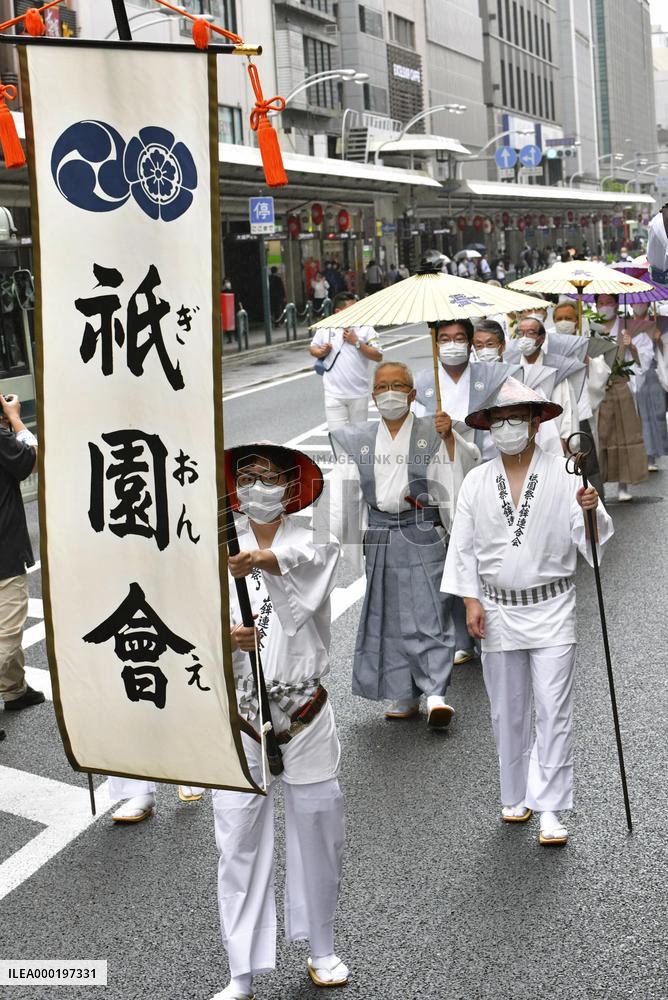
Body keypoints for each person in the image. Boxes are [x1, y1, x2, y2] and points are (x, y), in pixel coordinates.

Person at [441, 377, 613, 846]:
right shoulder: (478, 480)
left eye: (516, 418)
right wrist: (471, 601)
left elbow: (591, 540)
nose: (507, 427)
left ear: (537, 423)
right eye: (498, 420)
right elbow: (463, 547)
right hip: (497, 610)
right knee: (507, 710)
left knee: (554, 710)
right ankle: (515, 794)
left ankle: (553, 807)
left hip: (553, 605)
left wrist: (591, 507)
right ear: (488, 428)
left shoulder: (564, 472)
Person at [211, 443, 347, 1000]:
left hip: (304, 712)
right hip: (242, 717)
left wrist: (261, 563)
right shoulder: (216, 544)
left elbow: (312, 572)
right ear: (233, 488)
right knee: (238, 840)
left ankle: (322, 946)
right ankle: (240, 970)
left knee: (318, 830)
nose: (257, 485)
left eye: (269, 477)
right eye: (246, 476)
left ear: (291, 487)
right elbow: (190, 624)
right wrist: (226, 638)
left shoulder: (313, 536)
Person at [325, 361, 480, 726]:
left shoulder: (432, 431)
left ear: (412, 395)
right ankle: (403, 694)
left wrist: (450, 438)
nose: (390, 392)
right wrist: (347, 540)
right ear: (373, 396)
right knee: (388, 615)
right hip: (380, 534)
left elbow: (456, 477)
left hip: (422, 531)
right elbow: (346, 496)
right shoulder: (357, 439)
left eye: (398, 385)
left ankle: (436, 692)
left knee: (430, 611)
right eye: (382, 386)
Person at [0, 393, 43, 713]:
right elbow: (34, 459)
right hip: (3, 551)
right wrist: (15, 418)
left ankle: (14, 690)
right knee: (9, 631)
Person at [472, 320, 563, 460]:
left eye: (490, 344)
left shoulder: (521, 376)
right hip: (481, 458)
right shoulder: (472, 381)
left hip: (521, 455)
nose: (484, 350)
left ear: (502, 346)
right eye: (479, 346)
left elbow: (545, 431)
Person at [594, 293, 648, 502]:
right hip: (598, 390)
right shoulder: (592, 328)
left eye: (609, 302)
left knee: (626, 435)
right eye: (601, 303)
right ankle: (599, 484)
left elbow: (643, 360)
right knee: (602, 435)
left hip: (621, 386)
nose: (605, 307)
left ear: (617, 304)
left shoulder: (628, 327)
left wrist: (631, 345)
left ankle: (623, 485)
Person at [505, 315, 584, 450]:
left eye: (530, 333)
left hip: (553, 438)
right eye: (520, 333)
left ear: (541, 339)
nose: (524, 338)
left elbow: (566, 404)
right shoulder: (510, 367)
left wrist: (565, 439)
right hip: (518, 436)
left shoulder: (556, 367)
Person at [309, 291, 383, 431]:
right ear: (338, 311)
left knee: (359, 439)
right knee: (338, 438)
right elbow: (313, 348)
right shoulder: (325, 327)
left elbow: (378, 355)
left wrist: (357, 342)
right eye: (352, 308)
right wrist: (321, 352)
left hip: (358, 394)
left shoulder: (365, 328)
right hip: (333, 394)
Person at [623, 303, 667, 472]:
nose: (639, 306)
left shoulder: (659, 323)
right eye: (636, 303)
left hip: (654, 372)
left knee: (657, 414)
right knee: (640, 415)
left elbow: (665, 350)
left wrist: (659, 340)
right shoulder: (625, 325)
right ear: (632, 304)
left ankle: (654, 452)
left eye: (642, 303)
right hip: (634, 373)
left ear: (649, 303)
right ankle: (644, 454)